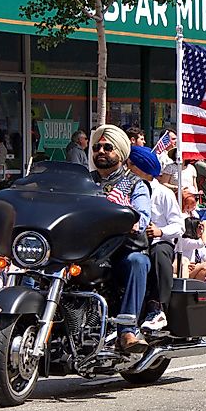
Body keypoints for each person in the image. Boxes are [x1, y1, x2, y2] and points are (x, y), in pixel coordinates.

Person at [89, 124, 152, 353]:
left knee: (137, 262)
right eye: (97, 147)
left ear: (121, 153)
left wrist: (134, 223)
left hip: (122, 250)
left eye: (108, 147)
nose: (101, 151)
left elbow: (143, 215)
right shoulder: (84, 182)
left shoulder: (134, 183)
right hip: (88, 251)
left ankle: (127, 329)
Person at [126, 146, 185, 332]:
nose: (126, 169)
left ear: (140, 169)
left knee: (159, 254)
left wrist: (160, 231)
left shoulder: (163, 193)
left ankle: (156, 307)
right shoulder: (124, 188)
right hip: (130, 240)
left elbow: (179, 226)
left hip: (158, 242)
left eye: (130, 165)